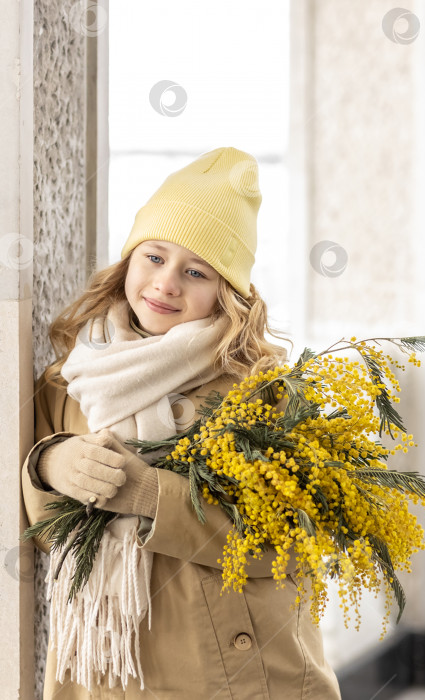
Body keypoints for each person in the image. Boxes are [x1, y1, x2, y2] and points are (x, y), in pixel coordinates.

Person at [21, 146, 342, 699]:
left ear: (228, 290)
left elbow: (296, 543)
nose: (166, 283)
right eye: (154, 256)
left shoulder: (263, 390)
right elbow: (50, 535)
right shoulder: (69, 379)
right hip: (109, 667)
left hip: (237, 671)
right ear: (128, 261)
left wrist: (152, 496)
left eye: (195, 271)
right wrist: (49, 462)